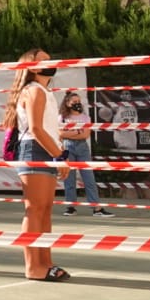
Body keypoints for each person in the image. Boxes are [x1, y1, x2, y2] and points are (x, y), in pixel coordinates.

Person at [4, 48, 72, 282]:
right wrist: (59, 156)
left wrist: (58, 151)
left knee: (45, 210)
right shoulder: (34, 90)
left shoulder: (43, 91)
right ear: (31, 66)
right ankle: (34, 266)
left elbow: (47, 129)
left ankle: (46, 262)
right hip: (35, 149)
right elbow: (35, 129)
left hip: (46, 149)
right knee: (35, 209)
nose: (50, 62)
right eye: (44, 60)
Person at [59, 90, 113, 218]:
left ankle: (96, 208)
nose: (77, 104)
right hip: (67, 147)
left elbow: (85, 134)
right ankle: (71, 207)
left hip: (82, 147)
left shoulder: (85, 117)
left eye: (79, 101)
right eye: (74, 102)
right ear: (67, 103)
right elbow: (60, 134)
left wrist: (72, 132)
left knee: (89, 177)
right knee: (69, 178)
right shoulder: (62, 117)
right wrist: (77, 132)